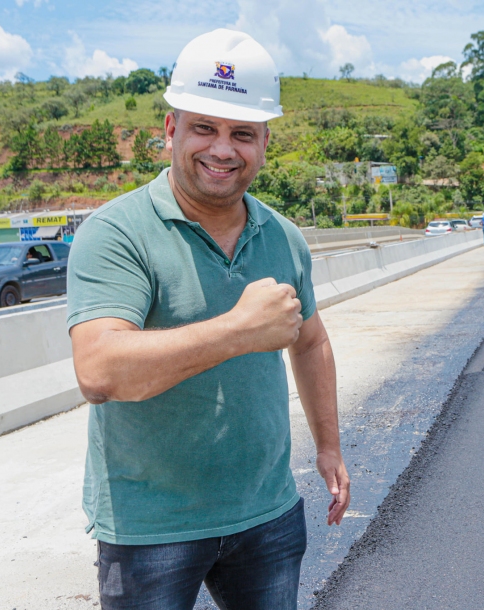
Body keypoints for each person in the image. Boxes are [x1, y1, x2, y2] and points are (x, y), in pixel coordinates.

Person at [67, 29, 349, 610]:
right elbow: (99, 370)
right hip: (151, 528)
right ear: (171, 130)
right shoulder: (117, 232)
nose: (223, 149)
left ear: (264, 143)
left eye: (242, 133)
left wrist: (329, 446)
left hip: (267, 515)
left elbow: (312, 340)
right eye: (205, 128)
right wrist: (239, 330)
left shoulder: (284, 237)